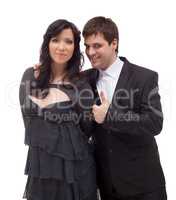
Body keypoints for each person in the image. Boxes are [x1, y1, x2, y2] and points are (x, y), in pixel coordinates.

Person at [82, 16, 167, 200]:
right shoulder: (84, 79)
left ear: (114, 43)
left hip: (144, 186)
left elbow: (154, 122)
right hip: (106, 187)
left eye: (97, 45)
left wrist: (109, 115)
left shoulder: (144, 77)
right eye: (87, 46)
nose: (90, 52)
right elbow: (60, 81)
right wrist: (41, 70)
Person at [19, 19, 97, 200]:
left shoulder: (81, 83)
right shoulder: (31, 76)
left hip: (76, 170)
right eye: (55, 40)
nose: (61, 47)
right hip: (41, 167)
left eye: (68, 41)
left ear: (75, 48)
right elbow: (28, 121)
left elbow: (87, 129)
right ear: (47, 43)